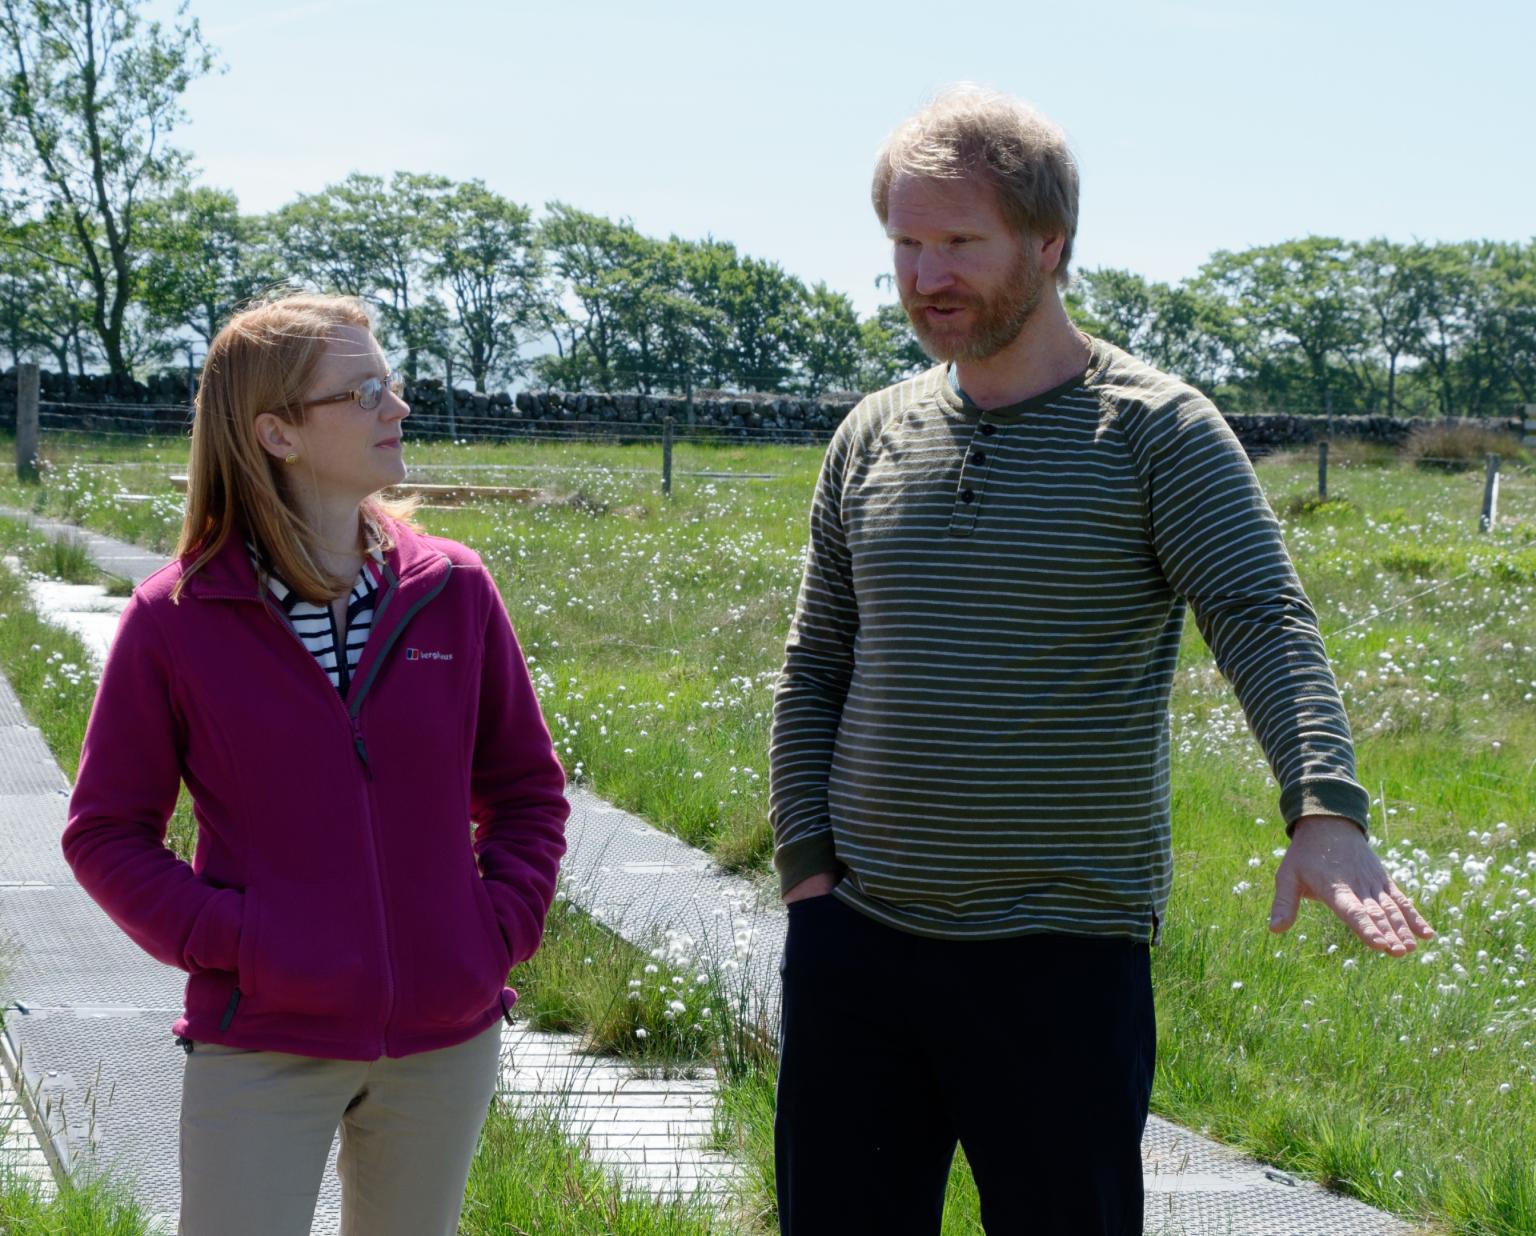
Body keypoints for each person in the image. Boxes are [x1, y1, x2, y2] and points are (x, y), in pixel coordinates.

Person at [767, 87, 1434, 1236]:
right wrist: (808, 878)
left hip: (1058, 968)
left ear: (1051, 244)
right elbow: (816, 664)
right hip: (859, 949)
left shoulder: (1153, 431)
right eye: (905, 244)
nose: (926, 275)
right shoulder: (873, 433)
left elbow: (1262, 615)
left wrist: (1323, 809)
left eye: (960, 242)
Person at [61, 294, 569, 1236]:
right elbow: (104, 834)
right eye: (364, 390)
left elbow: (527, 790)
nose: (398, 408)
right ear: (277, 433)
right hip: (264, 1039)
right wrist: (242, 944)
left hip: (443, 1039)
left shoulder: (453, 591)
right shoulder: (174, 621)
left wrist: (494, 928)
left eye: (394, 382)